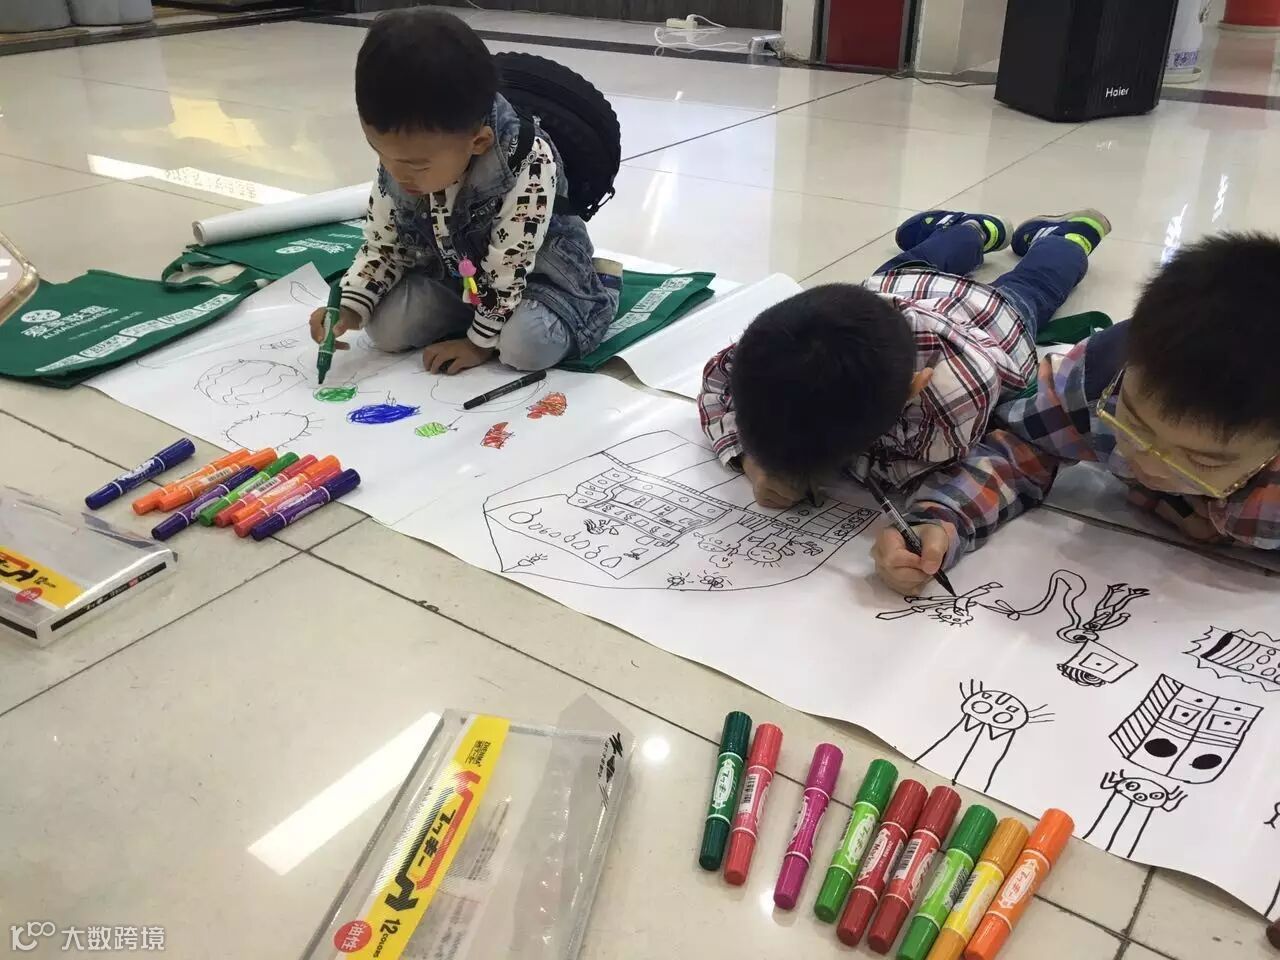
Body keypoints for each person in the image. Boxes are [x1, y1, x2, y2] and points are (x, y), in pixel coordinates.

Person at [873, 232, 1280, 593]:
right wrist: (942, 520)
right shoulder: (1098, 379)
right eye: (1134, 426)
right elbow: (1018, 449)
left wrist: (1233, 528)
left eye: (1202, 461)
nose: (1151, 465)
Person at [698, 208, 1111, 506]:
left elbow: (908, 473)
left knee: (1036, 285)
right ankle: (971, 229)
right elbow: (717, 381)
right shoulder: (779, 344)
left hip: (995, 319)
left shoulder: (953, 402)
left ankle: (1066, 238)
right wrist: (751, 459)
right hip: (899, 286)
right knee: (921, 258)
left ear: (916, 389)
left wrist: (806, 466)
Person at [309, 8, 621, 375]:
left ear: (478, 142)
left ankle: (601, 288)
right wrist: (349, 306)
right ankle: (481, 318)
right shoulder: (403, 158)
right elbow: (385, 245)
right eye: (380, 153)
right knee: (385, 329)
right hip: (458, 274)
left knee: (525, 347)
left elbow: (509, 267)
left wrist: (477, 344)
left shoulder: (525, 160)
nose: (395, 172)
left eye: (416, 165)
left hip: (535, 278)